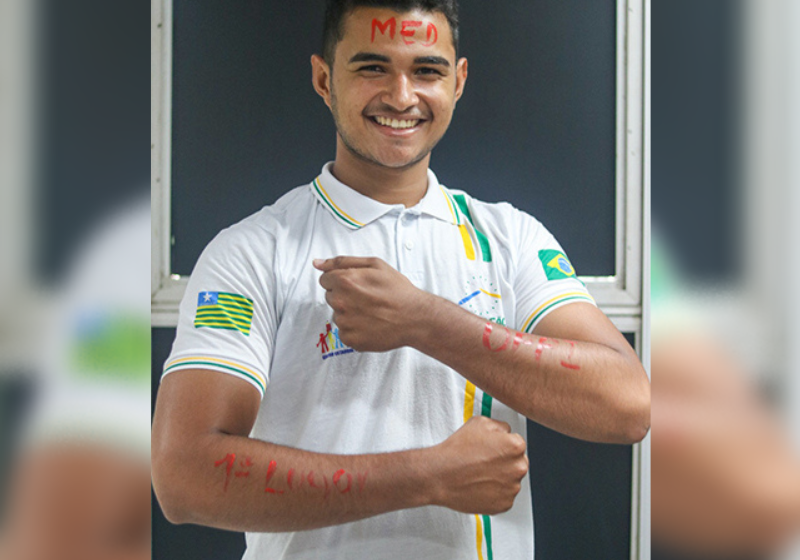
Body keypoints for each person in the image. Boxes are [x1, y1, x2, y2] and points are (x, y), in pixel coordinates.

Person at [151, 1, 650, 559]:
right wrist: (425, 477)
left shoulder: (510, 239)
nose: (402, 96)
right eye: (372, 68)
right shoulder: (250, 252)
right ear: (323, 78)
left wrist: (426, 321)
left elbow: (626, 404)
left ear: (458, 81)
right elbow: (184, 475)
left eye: (427, 70)